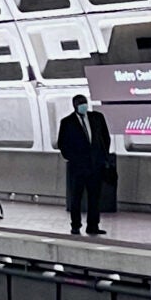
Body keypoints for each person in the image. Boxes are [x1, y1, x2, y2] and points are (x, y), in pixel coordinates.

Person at [58, 94, 112, 236]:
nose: (83, 106)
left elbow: (105, 138)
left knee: (95, 197)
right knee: (76, 197)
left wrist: (102, 157)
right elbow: (62, 144)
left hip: (95, 166)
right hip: (78, 167)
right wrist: (73, 159)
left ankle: (93, 225)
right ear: (74, 106)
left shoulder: (97, 118)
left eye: (85, 103)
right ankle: (75, 225)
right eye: (80, 104)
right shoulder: (67, 122)